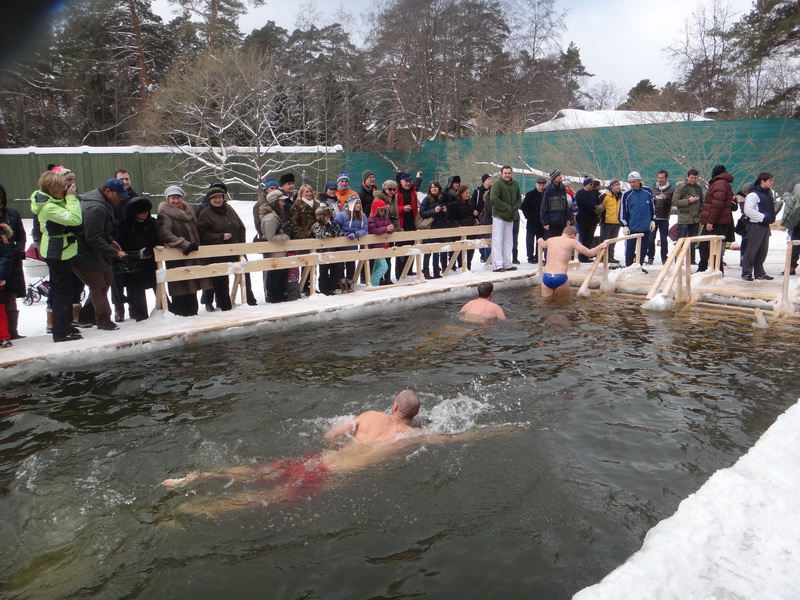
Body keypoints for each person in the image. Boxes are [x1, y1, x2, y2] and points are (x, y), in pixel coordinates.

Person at [161, 390, 423, 516]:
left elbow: (329, 436)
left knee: (259, 471)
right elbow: (449, 437)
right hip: (330, 474)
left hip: (318, 460)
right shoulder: (411, 437)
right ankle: (194, 509)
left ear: (395, 405)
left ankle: (199, 476)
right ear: (415, 415)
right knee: (265, 496)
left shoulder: (370, 415)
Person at [30, 170, 84, 342]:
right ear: (53, 189)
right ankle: (60, 332)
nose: (65, 188)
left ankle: (66, 325)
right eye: (62, 186)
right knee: (61, 292)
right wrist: (71, 198)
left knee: (67, 291)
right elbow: (75, 219)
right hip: (56, 252)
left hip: (63, 250)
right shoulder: (48, 207)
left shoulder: (52, 200)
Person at [72, 178, 130, 331]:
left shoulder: (103, 202)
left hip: (91, 250)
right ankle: (103, 319)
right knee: (97, 283)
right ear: (107, 191)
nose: (121, 199)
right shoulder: (96, 207)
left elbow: (99, 230)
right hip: (81, 252)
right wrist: (115, 253)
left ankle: (85, 317)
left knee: (107, 278)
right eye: (119, 195)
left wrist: (111, 241)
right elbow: (92, 237)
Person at [155, 185, 211, 316]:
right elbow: (164, 234)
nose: (176, 201)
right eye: (173, 198)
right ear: (168, 199)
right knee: (180, 286)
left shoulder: (189, 213)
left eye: (178, 198)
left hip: (193, 255)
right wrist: (183, 244)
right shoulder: (165, 214)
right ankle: (181, 314)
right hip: (178, 256)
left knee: (193, 285)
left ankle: (193, 313)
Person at [197, 185, 247, 311]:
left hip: (234, 250)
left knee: (240, 275)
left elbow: (240, 226)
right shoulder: (205, 213)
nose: (217, 200)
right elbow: (203, 235)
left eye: (219, 197)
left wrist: (241, 244)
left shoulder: (229, 209)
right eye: (214, 198)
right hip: (217, 253)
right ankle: (225, 308)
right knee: (220, 281)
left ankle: (242, 303)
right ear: (209, 199)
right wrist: (220, 237)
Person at [115, 196, 157, 322]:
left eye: (147, 211)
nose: (146, 214)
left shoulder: (152, 222)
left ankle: (162, 311)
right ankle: (139, 314)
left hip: (150, 260)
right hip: (133, 262)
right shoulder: (124, 225)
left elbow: (158, 238)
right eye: (142, 211)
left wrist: (151, 247)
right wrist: (134, 254)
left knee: (156, 283)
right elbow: (120, 243)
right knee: (136, 289)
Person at [538, 226, 608, 297]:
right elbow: (590, 253)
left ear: (563, 232)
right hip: (560, 277)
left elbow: (542, 244)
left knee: (546, 303)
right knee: (563, 303)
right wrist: (601, 246)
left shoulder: (551, 240)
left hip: (546, 276)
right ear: (572, 235)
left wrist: (540, 240)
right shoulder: (572, 242)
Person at [110, 169, 138, 322]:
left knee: (133, 276)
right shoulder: (112, 199)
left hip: (132, 241)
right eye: (121, 179)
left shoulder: (135, 196)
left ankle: (133, 307)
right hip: (116, 242)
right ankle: (118, 308)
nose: (125, 182)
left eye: (127, 178)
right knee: (116, 279)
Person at [697, 165, 735, 274]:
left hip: (716, 222)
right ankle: (705, 268)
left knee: (711, 247)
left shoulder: (720, 184)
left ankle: (716, 270)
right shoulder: (721, 183)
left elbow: (716, 205)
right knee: (705, 245)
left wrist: (710, 221)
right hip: (717, 220)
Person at [0, 184, 26, 338]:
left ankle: (12, 332)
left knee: (11, 296)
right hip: (2, 260)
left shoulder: (12, 214)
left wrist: (19, 248)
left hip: (13, 260)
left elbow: (22, 235)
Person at [741, 172, 776, 281]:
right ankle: (746, 272)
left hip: (765, 225)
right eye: (770, 180)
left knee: (762, 250)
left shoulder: (767, 193)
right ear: (762, 181)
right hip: (755, 225)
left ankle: (759, 272)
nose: (772, 182)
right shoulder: (753, 194)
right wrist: (763, 217)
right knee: (752, 249)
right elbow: (748, 210)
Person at [259, 189, 292, 302]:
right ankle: (274, 296)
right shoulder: (271, 218)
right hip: (274, 252)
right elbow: (270, 237)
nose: (283, 204)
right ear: (275, 202)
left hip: (279, 252)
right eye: (281, 201)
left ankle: (279, 295)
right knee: (275, 275)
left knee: (281, 274)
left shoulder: (275, 216)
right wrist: (286, 237)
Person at [620, 171, 655, 270]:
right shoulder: (627, 194)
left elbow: (652, 207)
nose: (632, 184)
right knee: (630, 248)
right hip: (632, 226)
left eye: (634, 182)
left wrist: (653, 220)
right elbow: (623, 210)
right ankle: (628, 266)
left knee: (643, 248)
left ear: (639, 181)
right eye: (630, 182)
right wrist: (624, 225)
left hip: (645, 226)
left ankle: (639, 266)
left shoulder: (647, 191)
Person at [490, 166, 522, 273]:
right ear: (501, 174)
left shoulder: (515, 184)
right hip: (499, 215)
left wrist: (515, 207)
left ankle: (507, 263)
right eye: (505, 173)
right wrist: (507, 207)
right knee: (498, 240)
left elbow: (519, 198)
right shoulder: (497, 183)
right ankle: (497, 264)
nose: (507, 175)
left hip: (510, 216)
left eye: (509, 173)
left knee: (508, 241)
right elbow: (494, 199)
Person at [334, 197, 368, 287]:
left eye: (359, 203)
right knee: (340, 265)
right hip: (341, 245)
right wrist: (345, 234)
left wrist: (356, 234)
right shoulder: (342, 215)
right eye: (356, 203)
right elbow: (335, 227)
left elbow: (364, 229)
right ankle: (342, 283)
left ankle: (350, 282)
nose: (358, 205)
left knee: (351, 265)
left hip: (352, 244)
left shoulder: (362, 216)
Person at [673, 169, 704, 264]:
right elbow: (674, 201)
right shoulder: (681, 187)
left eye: (695, 178)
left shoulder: (698, 188)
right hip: (684, 218)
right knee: (681, 240)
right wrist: (688, 201)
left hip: (695, 218)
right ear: (688, 177)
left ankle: (691, 259)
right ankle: (678, 258)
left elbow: (701, 201)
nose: (693, 180)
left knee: (693, 240)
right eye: (691, 178)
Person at [419, 182, 449, 279]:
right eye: (431, 187)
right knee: (428, 250)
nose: (433, 189)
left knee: (437, 250)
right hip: (429, 228)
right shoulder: (427, 199)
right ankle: (426, 271)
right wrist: (433, 211)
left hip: (439, 227)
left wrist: (445, 211)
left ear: (439, 188)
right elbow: (422, 213)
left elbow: (446, 217)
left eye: (435, 187)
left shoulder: (442, 198)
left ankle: (436, 271)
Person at [311, 207, 344, 295]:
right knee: (323, 272)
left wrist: (333, 228)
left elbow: (340, 233)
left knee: (337, 269)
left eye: (329, 217)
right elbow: (322, 235)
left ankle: (332, 286)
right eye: (326, 217)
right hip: (322, 251)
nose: (328, 219)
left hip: (332, 250)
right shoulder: (316, 226)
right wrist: (329, 231)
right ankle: (324, 289)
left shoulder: (332, 224)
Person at [447, 184, 479, 271]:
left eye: (468, 193)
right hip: (459, 231)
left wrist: (475, 215)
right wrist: (459, 226)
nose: (468, 195)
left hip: (470, 230)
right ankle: (460, 268)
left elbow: (471, 216)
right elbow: (451, 218)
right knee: (459, 252)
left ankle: (468, 267)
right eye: (466, 193)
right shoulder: (453, 205)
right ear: (461, 194)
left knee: (470, 251)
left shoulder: (470, 204)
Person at [648, 170, 674, 265]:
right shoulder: (651, 189)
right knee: (651, 239)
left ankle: (664, 257)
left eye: (662, 178)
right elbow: (648, 203)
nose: (660, 180)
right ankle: (650, 257)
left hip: (664, 218)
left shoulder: (671, 189)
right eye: (659, 178)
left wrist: (666, 198)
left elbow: (673, 202)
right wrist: (653, 200)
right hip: (654, 218)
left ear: (666, 178)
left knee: (663, 239)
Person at [367, 198, 394, 286]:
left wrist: (390, 229)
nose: (382, 211)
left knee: (377, 266)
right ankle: (374, 282)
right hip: (376, 247)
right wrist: (386, 229)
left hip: (384, 246)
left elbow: (389, 229)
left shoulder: (386, 219)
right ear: (376, 210)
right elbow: (374, 230)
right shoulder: (371, 219)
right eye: (380, 210)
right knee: (383, 266)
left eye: (383, 210)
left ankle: (374, 283)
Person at [520, 176, 546, 263]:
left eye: (543, 185)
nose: (541, 187)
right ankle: (530, 257)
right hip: (532, 221)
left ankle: (538, 257)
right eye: (539, 185)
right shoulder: (530, 194)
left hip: (542, 222)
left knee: (540, 241)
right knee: (530, 241)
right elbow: (524, 206)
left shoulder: (546, 194)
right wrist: (529, 216)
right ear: (536, 185)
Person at [575, 177, 601, 262]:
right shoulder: (580, 193)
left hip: (592, 220)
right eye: (591, 184)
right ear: (586, 185)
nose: (592, 186)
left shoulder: (593, 193)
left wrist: (598, 209)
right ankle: (582, 256)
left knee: (589, 238)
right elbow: (584, 204)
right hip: (583, 219)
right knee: (583, 237)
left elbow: (597, 202)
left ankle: (586, 256)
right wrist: (594, 208)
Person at [540, 169, 571, 240]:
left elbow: (565, 205)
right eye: (559, 175)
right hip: (551, 224)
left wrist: (568, 218)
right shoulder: (548, 190)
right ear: (554, 178)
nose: (561, 177)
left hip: (562, 222)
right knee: (550, 244)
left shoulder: (562, 188)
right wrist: (545, 222)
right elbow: (544, 207)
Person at [780, 175, 800, 276]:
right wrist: (793, 201)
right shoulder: (796, 180)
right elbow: (786, 195)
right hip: (797, 218)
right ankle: (791, 267)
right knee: (794, 244)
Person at [599, 179, 622, 264]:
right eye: (616, 185)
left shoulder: (620, 196)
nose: (618, 187)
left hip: (617, 222)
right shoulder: (605, 196)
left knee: (613, 241)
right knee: (604, 240)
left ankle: (610, 256)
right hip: (607, 221)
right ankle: (602, 256)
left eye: (619, 185)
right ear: (612, 187)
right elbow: (599, 207)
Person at [472, 174, 493, 262]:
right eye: (488, 179)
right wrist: (474, 210)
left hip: (488, 217)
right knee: (482, 237)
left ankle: (487, 256)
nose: (491, 180)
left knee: (488, 237)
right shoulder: (477, 191)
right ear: (484, 181)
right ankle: (483, 256)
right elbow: (472, 202)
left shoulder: (493, 190)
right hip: (479, 217)